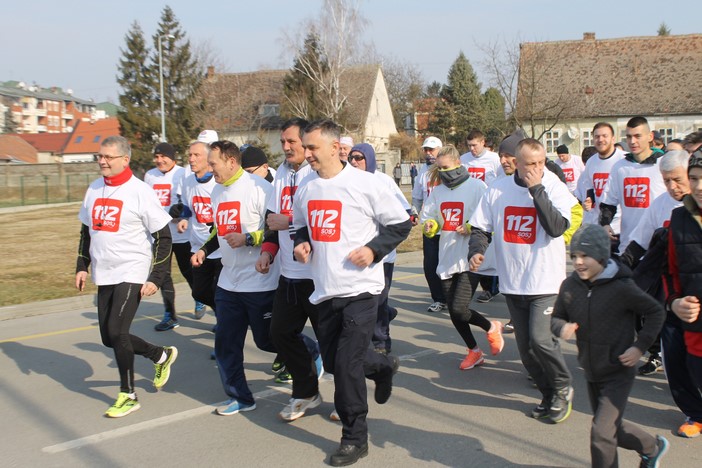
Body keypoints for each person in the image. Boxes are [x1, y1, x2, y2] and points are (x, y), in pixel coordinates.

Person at [293, 119, 411, 466]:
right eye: (306, 147)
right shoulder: (306, 188)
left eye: (312, 147)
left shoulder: (365, 184)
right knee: (334, 362)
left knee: (344, 367)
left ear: (334, 148)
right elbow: (301, 225)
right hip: (325, 289)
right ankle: (383, 366)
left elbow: (401, 223)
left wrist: (374, 250)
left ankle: (355, 437)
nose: (307, 154)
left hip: (362, 288)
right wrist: (302, 243)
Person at [469, 138, 576, 424]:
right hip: (514, 282)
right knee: (527, 352)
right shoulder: (497, 189)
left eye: (541, 162)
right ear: (516, 163)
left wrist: (536, 189)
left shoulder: (551, 184)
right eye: (531, 164)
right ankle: (547, 395)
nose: (537, 169)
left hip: (546, 281)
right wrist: (477, 250)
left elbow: (556, 228)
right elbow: (480, 226)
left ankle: (562, 387)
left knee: (542, 341)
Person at [75, 135, 177, 418]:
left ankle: (128, 394)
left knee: (118, 331)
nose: (102, 161)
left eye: (108, 157)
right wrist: (81, 266)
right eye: (100, 156)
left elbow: (163, 236)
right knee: (109, 338)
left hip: (132, 269)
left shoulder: (140, 191)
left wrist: (156, 277)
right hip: (103, 270)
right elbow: (86, 231)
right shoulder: (94, 189)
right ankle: (160, 355)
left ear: (125, 159)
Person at [551, 224, 668, 468]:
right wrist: (561, 328)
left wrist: (639, 347)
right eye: (574, 256)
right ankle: (651, 446)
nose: (579, 262)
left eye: (585, 256)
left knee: (601, 433)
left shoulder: (622, 287)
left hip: (618, 371)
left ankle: (649, 448)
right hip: (592, 370)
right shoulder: (570, 286)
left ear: (602, 256)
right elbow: (556, 317)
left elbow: (655, 312)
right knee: (610, 429)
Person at [191, 140, 279, 416]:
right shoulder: (217, 191)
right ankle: (240, 397)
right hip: (229, 281)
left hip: (259, 278)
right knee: (226, 341)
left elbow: (275, 230)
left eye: (213, 162)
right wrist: (205, 250)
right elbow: (220, 229)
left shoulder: (259, 188)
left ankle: (311, 351)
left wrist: (248, 239)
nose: (209, 167)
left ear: (231, 161)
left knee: (267, 341)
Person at [256, 117, 325, 421]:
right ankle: (306, 391)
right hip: (289, 273)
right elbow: (273, 220)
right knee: (280, 333)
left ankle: (357, 396)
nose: (284, 147)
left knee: (335, 345)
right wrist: (268, 251)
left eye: (291, 142)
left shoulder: (320, 173)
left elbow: (325, 221)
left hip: (320, 274)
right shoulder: (282, 173)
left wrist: (292, 224)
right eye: (282, 142)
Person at [420, 145, 503, 369]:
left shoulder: (477, 187)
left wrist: (470, 226)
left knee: (458, 308)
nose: (444, 173)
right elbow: (429, 218)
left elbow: (490, 218)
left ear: (458, 164)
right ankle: (474, 351)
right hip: (447, 256)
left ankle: (490, 327)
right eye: (440, 168)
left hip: (470, 257)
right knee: (455, 313)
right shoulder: (438, 191)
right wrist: (430, 225)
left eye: (446, 167)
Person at [348, 143, 411, 355]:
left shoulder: (383, 181)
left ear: (370, 159)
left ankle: (381, 342)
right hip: (356, 255)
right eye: (351, 158)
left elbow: (404, 213)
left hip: (382, 255)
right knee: (362, 301)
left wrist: (380, 245)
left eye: (359, 158)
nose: (354, 162)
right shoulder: (346, 182)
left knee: (379, 299)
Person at [666, 149, 702, 438]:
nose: (699, 186)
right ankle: (697, 414)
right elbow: (672, 271)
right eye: (694, 178)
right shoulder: (679, 218)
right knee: (693, 369)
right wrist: (674, 302)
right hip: (694, 321)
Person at [144, 142, 195, 331]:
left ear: (172, 158)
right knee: (163, 275)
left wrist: (181, 215)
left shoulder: (183, 173)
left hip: (181, 234)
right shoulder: (149, 175)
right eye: (156, 157)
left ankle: (199, 298)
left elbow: (188, 200)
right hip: (159, 235)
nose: (159, 160)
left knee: (188, 271)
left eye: (163, 156)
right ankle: (170, 315)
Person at [600, 116, 666, 256]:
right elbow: (608, 202)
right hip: (629, 247)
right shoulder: (620, 168)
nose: (632, 141)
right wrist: (605, 224)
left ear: (650, 136)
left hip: (659, 248)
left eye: (637, 136)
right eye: (629, 137)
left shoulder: (663, 164)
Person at [179, 141, 223, 323]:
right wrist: (183, 218)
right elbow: (189, 208)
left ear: (208, 159)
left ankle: (225, 323)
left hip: (218, 247)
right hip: (197, 245)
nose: (191, 159)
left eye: (196, 155)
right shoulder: (188, 181)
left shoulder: (218, 182)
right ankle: (224, 314)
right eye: (190, 155)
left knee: (221, 291)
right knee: (200, 292)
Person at [412, 136, 447, 313]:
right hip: (430, 226)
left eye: (432, 149)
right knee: (430, 264)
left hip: (449, 225)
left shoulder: (449, 170)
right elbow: (417, 197)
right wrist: (414, 212)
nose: (428, 153)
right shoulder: (423, 173)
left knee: (449, 264)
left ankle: (453, 296)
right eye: (426, 149)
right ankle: (439, 298)